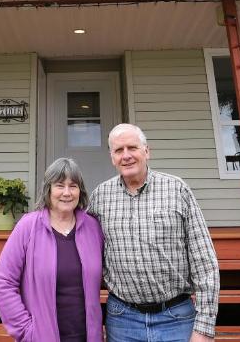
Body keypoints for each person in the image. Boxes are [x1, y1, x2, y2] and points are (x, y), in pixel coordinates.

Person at [90, 123, 220, 342]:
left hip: (176, 317)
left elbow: (204, 263)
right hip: (122, 319)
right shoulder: (100, 197)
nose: (126, 156)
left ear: (147, 151)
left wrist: (204, 328)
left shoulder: (177, 189)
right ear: (112, 157)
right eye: (119, 150)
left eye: (132, 148)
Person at [0, 157, 104, 342]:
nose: (67, 193)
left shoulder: (93, 227)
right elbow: (4, 283)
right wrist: (25, 330)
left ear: (80, 191)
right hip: (42, 336)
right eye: (60, 185)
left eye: (73, 186)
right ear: (48, 190)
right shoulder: (28, 226)